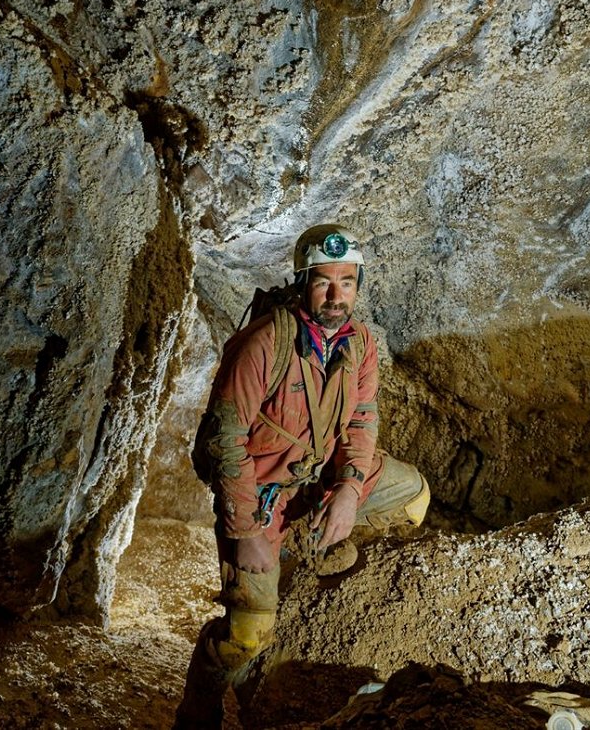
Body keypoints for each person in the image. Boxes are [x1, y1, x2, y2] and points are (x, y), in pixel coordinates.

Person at [173, 223, 430, 730]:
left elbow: (361, 420)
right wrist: (245, 533)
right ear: (302, 282)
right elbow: (227, 448)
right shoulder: (262, 345)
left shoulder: (359, 344)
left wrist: (351, 490)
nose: (337, 296)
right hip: (262, 499)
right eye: (323, 282)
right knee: (246, 636)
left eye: (347, 282)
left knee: (413, 496)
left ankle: (312, 553)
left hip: (318, 484)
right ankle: (198, 705)